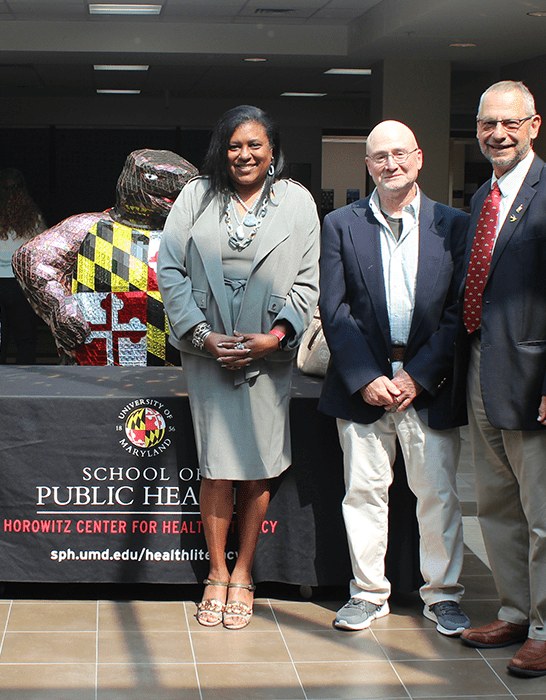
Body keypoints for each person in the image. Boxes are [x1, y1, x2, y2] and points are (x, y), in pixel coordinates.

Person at [453, 81, 546, 678]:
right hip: (484, 375)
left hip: (540, 384)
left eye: (510, 123)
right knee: (496, 507)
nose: (498, 134)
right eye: (488, 124)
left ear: (534, 125)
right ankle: (514, 611)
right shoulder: (478, 198)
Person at [158, 105, 319, 630]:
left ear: (273, 149)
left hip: (268, 357)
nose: (244, 155)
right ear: (221, 150)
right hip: (207, 354)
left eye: (255, 145)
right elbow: (171, 270)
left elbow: (308, 282)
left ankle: (244, 573)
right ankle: (215, 574)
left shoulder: (297, 202)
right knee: (217, 466)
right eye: (234, 145)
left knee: (258, 465)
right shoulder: (194, 196)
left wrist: (274, 339)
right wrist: (202, 336)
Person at [318, 120, 472, 634]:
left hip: (429, 385)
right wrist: (365, 376)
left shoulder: (455, 224)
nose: (391, 164)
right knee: (363, 494)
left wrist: (419, 376)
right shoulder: (341, 224)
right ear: (368, 165)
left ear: (419, 157)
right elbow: (333, 309)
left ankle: (443, 595)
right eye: (379, 156)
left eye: (400, 154)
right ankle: (367, 593)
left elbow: (460, 312)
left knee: (437, 495)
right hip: (363, 382)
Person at [13, 150, 197, 366]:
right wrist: (59, 304)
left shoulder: (191, 233)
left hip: (177, 360)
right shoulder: (89, 226)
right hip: (96, 359)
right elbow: (30, 258)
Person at [0, 168, 45, 363]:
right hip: (21, 284)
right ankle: (28, 386)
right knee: (26, 339)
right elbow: (41, 251)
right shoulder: (34, 220)